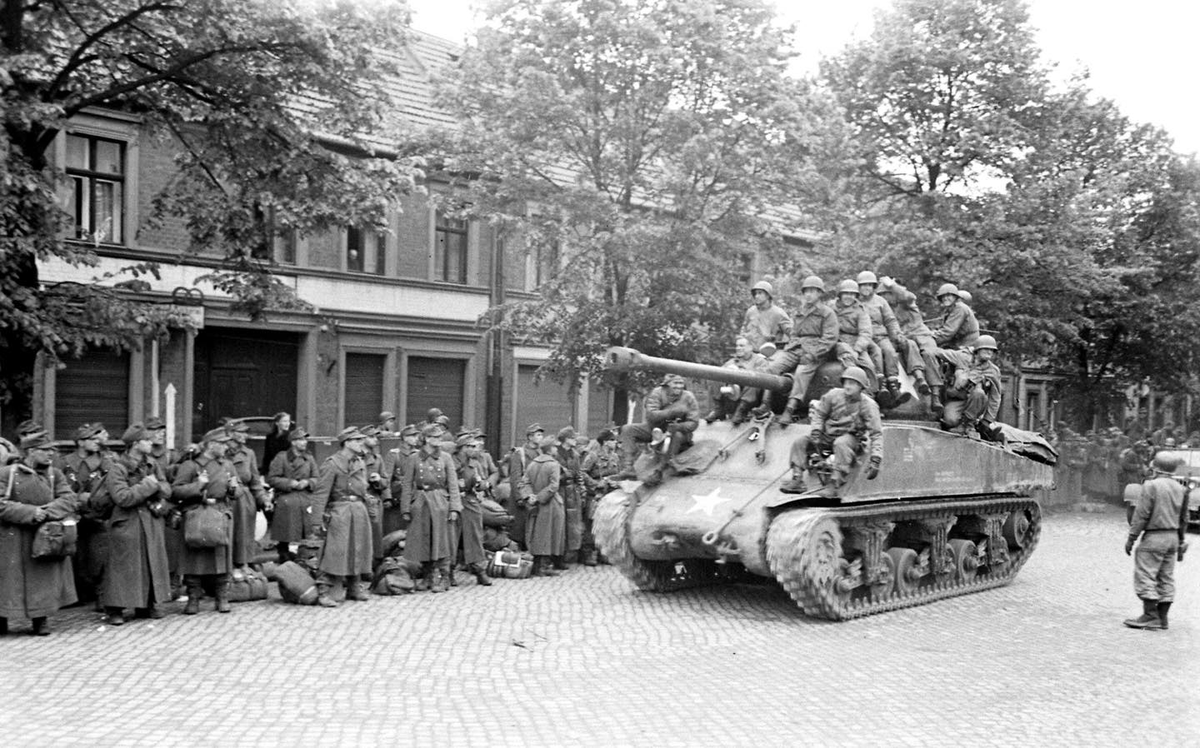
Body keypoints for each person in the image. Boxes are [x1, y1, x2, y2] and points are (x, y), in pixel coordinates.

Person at [0, 429, 83, 636]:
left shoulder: (56, 474)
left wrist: (45, 513)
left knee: (44, 580)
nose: (50, 454)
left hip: (45, 535)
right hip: (12, 538)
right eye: (45, 450)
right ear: (31, 451)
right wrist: (30, 512)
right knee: (8, 581)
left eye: (52, 450)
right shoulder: (7, 474)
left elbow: (69, 499)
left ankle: (41, 619)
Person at [101, 423, 172, 625]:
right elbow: (122, 498)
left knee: (150, 563)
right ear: (135, 444)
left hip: (150, 520)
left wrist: (159, 489)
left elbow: (166, 487)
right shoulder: (117, 468)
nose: (151, 443)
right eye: (147, 440)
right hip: (128, 522)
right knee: (124, 567)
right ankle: (115, 608)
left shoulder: (152, 464)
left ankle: (148, 603)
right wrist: (149, 485)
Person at [779, 367, 883, 498]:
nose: (847, 386)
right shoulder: (833, 395)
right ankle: (797, 478)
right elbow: (820, 414)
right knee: (801, 442)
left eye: (851, 383)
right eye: (845, 382)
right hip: (827, 435)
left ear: (860, 386)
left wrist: (876, 459)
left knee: (841, 443)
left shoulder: (868, 405)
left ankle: (834, 484)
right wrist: (816, 431)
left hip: (851, 438)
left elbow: (876, 434)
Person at [752, 275, 838, 425]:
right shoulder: (800, 312)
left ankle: (790, 409)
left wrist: (814, 353)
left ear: (819, 294)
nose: (809, 294)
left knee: (801, 373)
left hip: (815, 350)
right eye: (806, 291)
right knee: (772, 368)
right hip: (796, 347)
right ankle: (765, 404)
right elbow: (794, 333)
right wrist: (792, 345)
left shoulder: (827, 313)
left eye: (813, 291)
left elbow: (830, 337)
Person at [171, 428, 239, 615]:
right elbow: (176, 491)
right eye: (222, 443)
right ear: (211, 445)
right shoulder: (191, 465)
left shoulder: (228, 465)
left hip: (219, 512)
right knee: (194, 558)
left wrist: (233, 489)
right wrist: (198, 486)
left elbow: (237, 491)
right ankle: (193, 598)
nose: (226, 447)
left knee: (221, 558)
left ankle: (222, 597)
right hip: (196, 514)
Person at [310, 427, 376, 606]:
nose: (361, 443)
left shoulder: (359, 462)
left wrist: (369, 508)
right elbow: (321, 493)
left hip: (358, 510)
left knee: (358, 548)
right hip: (340, 510)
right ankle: (324, 590)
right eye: (357, 440)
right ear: (346, 443)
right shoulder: (332, 464)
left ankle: (354, 586)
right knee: (334, 551)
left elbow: (364, 488)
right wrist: (316, 520)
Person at [1123, 452, 1190, 630]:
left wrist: (1132, 538)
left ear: (1155, 467)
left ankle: (1150, 615)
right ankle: (1163, 617)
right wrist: (1181, 541)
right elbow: (1184, 518)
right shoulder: (1181, 488)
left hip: (1155, 536)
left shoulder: (1151, 486)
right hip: (1173, 537)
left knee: (1145, 574)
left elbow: (1141, 514)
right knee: (1166, 577)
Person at [401, 424, 462, 593]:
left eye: (440, 437)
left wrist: (455, 508)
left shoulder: (446, 458)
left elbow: (453, 484)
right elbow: (407, 485)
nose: (438, 441)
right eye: (434, 437)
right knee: (424, 541)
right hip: (421, 502)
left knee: (442, 541)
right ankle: (427, 576)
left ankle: (444, 576)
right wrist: (406, 508)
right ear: (426, 438)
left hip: (440, 502)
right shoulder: (414, 458)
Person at [60, 422, 114, 608]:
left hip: (97, 515)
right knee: (75, 556)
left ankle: (101, 594)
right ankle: (76, 595)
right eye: (92, 439)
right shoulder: (64, 462)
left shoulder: (105, 461)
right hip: (72, 515)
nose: (97, 442)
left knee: (99, 556)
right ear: (80, 442)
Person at [612, 374, 700, 486]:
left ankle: (659, 470)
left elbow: (694, 423)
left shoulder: (688, 397)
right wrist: (671, 412)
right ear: (666, 385)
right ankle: (628, 468)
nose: (679, 387)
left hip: (678, 432)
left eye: (681, 383)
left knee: (677, 435)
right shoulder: (657, 393)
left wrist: (679, 426)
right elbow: (651, 415)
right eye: (675, 383)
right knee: (628, 429)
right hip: (656, 429)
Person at [877, 278, 938, 407]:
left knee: (929, 355)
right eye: (881, 295)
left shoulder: (905, 304)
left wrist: (892, 285)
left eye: (887, 294)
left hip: (921, 338)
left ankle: (923, 382)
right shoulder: (883, 310)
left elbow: (908, 296)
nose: (884, 297)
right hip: (901, 341)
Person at [266, 427, 319, 563]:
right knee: (287, 513)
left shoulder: (309, 458)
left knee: (308, 528)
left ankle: (305, 552)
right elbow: (272, 478)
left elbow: (317, 478)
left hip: (305, 496)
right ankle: (283, 550)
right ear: (293, 442)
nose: (304, 442)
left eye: (305, 439)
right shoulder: (282, 457)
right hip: (287, 495)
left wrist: (307, 482)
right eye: (300, 440)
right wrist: (290, 483)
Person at [225, 419, 270, 577]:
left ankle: (243, 564)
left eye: (246, 432)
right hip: (225, 497)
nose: (245, 435)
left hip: (244, 499)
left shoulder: (249, 453)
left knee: (244, 534)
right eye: (241, 432)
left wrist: (263, 499)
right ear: (230, 434)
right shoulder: (221, 452)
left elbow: (255, 481)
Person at [857, 271, 909, 406]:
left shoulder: (880, 301)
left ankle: (894, 386)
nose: (866, 288)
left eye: (869, 285)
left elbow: (890, 320)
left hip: (881, 335)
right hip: (865, 336)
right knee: (877, 354)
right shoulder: (855, 302)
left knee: (890, 352)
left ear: (874, 287)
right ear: (859, 287)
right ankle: (881, 385)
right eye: (863, 285)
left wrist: (897, 335)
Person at [934, 335, 1002, 437]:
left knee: (978, 392)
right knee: (950, 421)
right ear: (977, 350)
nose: (989, 352)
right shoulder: (962, 357)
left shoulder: (993, 371)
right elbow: (939, 353)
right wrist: (926, 345)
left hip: (977, 402)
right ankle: (963, 423)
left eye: (992, 350)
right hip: (957, 399)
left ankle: (968, 425)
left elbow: (995, 397)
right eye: (986, 349)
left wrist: (987, 421)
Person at [520, 431, 565, 576]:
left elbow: (523, 483)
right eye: (555, 447)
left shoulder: (533, 463)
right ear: (550, 449)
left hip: (536, 505)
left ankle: (538, 565)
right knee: (551, 534)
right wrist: (539, 497)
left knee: (538, 534)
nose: (557, 450)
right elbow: (554, 486)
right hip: (550, 503)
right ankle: (545, 566)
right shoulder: (554, 465)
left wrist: (530, 497)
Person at [452, 432, 494, 586]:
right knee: (451, 537)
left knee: (475, 536)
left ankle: (479, 569)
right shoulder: (451, 462)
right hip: (454, 501)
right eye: (470, 446)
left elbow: (482, 482)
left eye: (475, 446)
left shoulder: (474, 463)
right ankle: (448, 571)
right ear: (462, 448)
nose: (474, 449)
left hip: (470, 500)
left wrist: (482, 484)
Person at [830, 279, 878, 408]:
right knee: (848, 360)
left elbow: (865, 332)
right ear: (840, 295)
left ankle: (869, 397)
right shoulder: (831, 308)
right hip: (836, 342)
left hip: (856, 343)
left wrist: (857, 349)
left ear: (856, 296)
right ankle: (851, 393)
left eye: (852, 294)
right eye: (845, 293)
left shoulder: (860, 311)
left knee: (869, 365)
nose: (848, 297)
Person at [706, 337, 769, 425]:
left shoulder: (760, 361)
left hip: (752, 397)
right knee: (716, 377)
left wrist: (743, 369)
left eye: (741, 345)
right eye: (737, 346)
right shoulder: (732, 361)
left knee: (754, 380)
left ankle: (741, 411)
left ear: (750, 347)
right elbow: (722, 372)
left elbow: (763, 377)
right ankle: (718, 409)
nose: (738, 348)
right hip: (733, 392)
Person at [579, 429, 620, 565]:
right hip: (596, 495)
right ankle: (589, 554)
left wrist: (616, 481)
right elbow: (582, 473)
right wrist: (595, 484)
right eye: (612, 440)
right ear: (605, 442)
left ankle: (604, 553)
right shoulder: (593, 456)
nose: (615, 443)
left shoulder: (615, 457)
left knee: (606, 524)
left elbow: (618, 473)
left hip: (610, 495)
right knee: (591, 524)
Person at [506, 423, 545, 548]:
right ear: (530, 437)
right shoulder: (519, 453)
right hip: (523, 493)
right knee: (519, 526)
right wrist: (519, 497)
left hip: (536, 492)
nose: (541, 437)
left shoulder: (541, 453)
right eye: (538, 435)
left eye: (541, 435)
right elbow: (515, 476)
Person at [360, 425, 391, 568]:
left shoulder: (377, 459)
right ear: (362, 439)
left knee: (376, 534)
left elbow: (386, 482)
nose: (375, 440)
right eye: (371, 437)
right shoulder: (355, 458)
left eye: (375, 437)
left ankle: (374, 564)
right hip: (360, 499)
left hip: (374, 499)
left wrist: (378, 479)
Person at [384, 424, 420, 536]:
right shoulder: (394, 455)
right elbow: (387, 478)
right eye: (413, 436)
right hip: (398, 498)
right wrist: (387, 498)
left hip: (415, 497)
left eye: (416, 436)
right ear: (404, 438)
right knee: (395, 532)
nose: (416, 439)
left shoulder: (419, 454)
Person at [740, 280, 792, 356]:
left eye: (760, 293)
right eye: (755, 294)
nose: (756, 296)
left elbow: (792, 333)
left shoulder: (778, 313)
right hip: (750, 355)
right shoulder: (751, 311)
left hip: (769, 355)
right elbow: (743, 330)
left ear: (768, 295)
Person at [555, 426, 583, 568]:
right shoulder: (555, 454)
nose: (575, 440)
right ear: (566, 439)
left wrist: (581, 491)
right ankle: (557, 557)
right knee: (559, 523)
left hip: (572, 493)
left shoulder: (575, 455)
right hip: (559, 490)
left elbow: (579, 475)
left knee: (571, 525)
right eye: (573, 438)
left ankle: (566, 555)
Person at [930, 283, 980, 350]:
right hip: (957, 343)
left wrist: (928, 341)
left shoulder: (960, 308)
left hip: (966, 345)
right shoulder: (949, 310)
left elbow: (947, 333)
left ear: (955, 297)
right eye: (943, 296)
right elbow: (944, 329)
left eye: (948, 295)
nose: (945, 298)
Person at [1118, 440, 1153, 524]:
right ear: (1137, 447)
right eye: (1141, 448)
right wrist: (1137, 467)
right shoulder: (1131, 454)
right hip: (1130, 477)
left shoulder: (1137, 454)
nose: (1142, 449)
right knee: (1132, 498)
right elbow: (1124, 465)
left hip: (1137, 476)